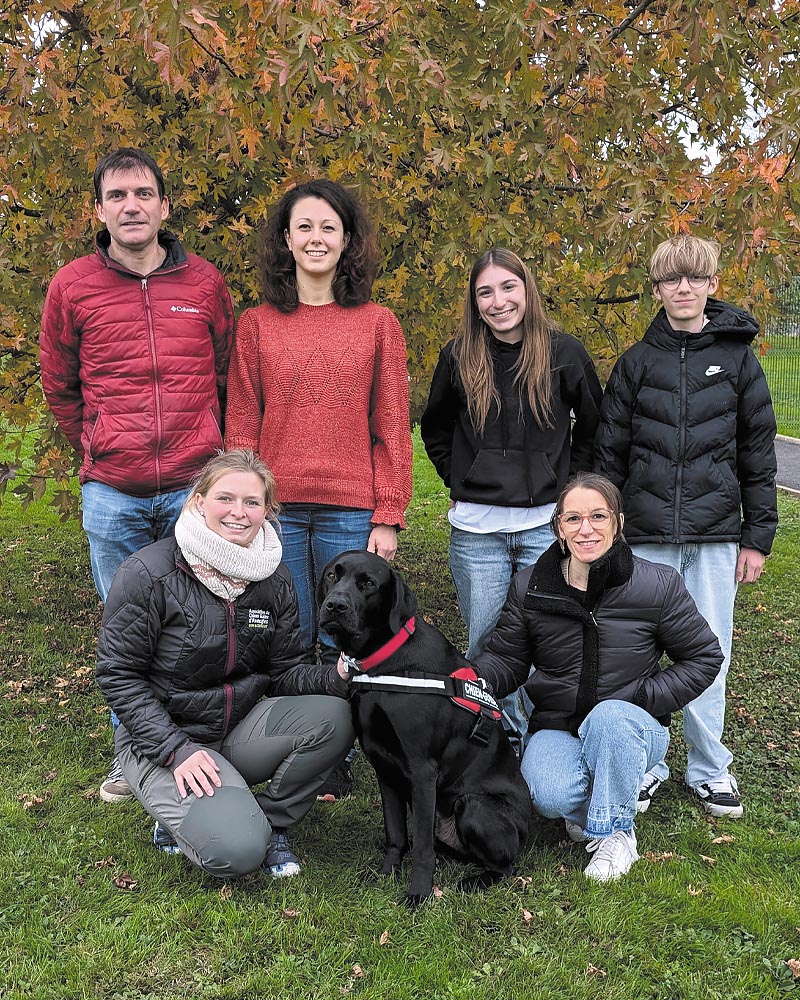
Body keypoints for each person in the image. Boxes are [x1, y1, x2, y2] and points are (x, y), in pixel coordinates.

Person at [40, 147, 234, 804]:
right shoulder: (72, 286)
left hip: (192, 490)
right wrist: (97, 447)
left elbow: (229, 378)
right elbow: (59, 385)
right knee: (128, 631)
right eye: (118, 195)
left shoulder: (205, 284)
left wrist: (215, 464)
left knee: (202, 624)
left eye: (143, 194)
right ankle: (134, 754)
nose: (131, 205)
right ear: (99, 209)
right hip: (114, 494)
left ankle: (198, 741)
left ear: (163, 206)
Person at [224, 179, 412, 799]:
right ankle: (297, 740)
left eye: (329, 227)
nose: (316, 238)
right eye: (304, 226)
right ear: (285, 239)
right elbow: (242, 423)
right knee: (289, 632)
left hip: (349, 505)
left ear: (347, 241)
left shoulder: (377, 323)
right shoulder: (256, 325)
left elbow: (390, 422)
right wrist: (242, 507)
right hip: (276, 510)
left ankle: (341, 749)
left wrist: (388, 513)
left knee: (344, 633)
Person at [95, 450, 354, 879]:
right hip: (162, 742)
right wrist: (175, 750)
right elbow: (118, 675)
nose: (239, 512)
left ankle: (271, 823)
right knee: (237, 852)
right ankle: (190, 819)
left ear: (267, 511)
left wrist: (339, 674)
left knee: (336, 714)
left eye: (252, 502)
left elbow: (286, 670)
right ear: (199, 501)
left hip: (237, 727)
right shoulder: (149, 572)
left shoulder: (273, 577)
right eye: (225, 498)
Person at [595, 235, 778, 819]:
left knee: (709, 650)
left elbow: (758, 453)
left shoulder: (740, 361)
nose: (683, 288)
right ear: (657, 290)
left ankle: (709, 767)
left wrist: (757, 537)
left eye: (694, 279)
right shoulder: (634, 363)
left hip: (715, 535)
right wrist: (605, 528)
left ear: (711, 285)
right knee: (638, 652)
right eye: (672, 280)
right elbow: (609, 456)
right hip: (644, 536)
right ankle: (646, 763)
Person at [473, 472, 723, 881]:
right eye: (573, 519)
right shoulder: (531, 587)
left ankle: (616, 835)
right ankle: (615, 791)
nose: (585, 529)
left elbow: (703, 656)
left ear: (618, 523)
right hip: (560, 725)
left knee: (610, 718)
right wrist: (468, 678)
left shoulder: (656, 585)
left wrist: (643, 697)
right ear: (558, 528)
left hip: (633, 725)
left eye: (598, 516)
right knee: (545, 794)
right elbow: (507, 659)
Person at [420, 248, 603, 738]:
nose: (498, 301)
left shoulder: (565, 354)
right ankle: (501, 741)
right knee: (488, 641)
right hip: (477, 532)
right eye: (485, 292)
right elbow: (434, 429)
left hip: (544, 529)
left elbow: (593, 428)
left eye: (508, 287)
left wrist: (571, 495)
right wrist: (458, 477)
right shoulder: (459, 356)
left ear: (527, 289)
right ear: (474, 301)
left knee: (547, 638)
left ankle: (545, 739)